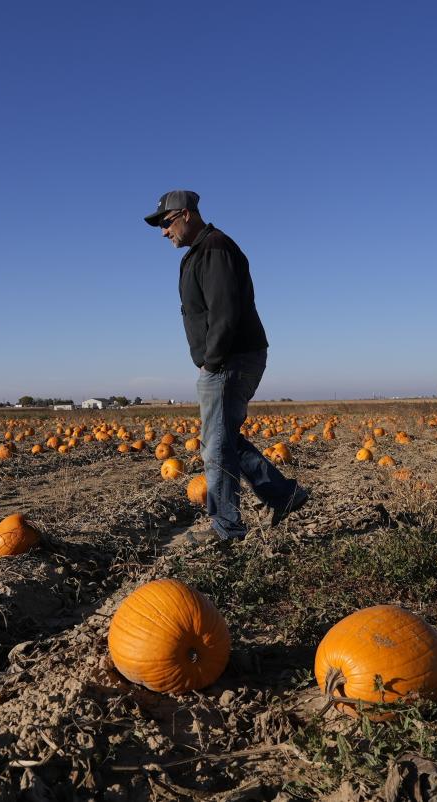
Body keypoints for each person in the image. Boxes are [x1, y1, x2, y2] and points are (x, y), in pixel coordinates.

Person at [144, 190, 309, 546]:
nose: (162, 231)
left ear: (186, 215)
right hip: (231, 357)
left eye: (166, 222)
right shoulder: (202, 251)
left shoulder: (215, 248)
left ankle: (227, 529)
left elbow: (225, 310)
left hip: (230, 358)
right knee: (224, 438)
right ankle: (283, 495)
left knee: (216, 445)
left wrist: (211, 360)